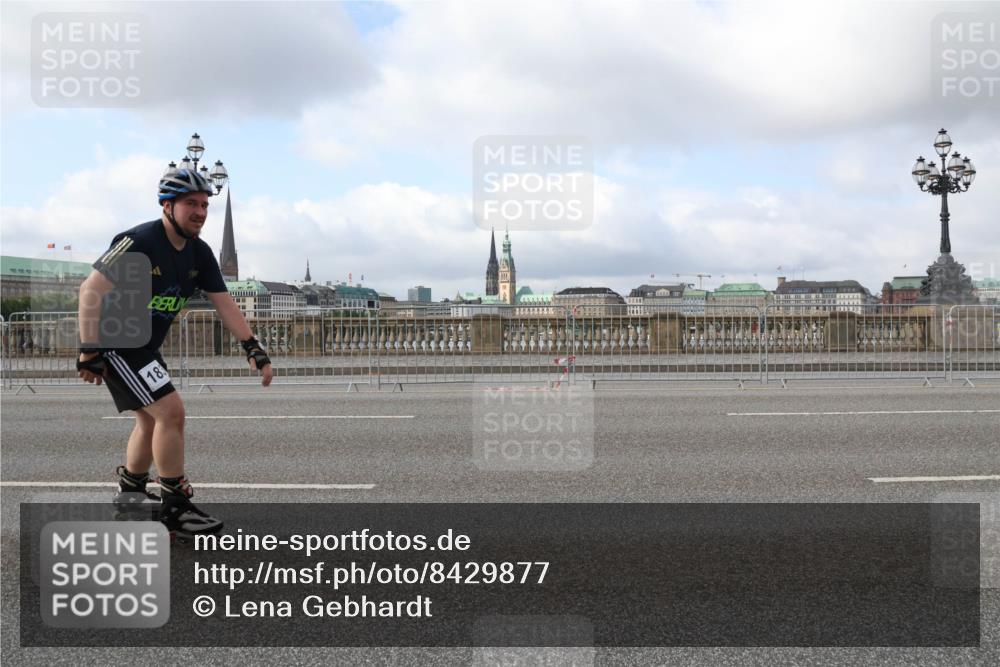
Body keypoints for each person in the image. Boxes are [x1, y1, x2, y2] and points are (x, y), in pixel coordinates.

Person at [77, 168, 273, 536]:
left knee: (151, 420)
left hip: (144, 346)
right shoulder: (139, 241)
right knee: (172, 412)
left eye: (204, 204)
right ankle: (174, 506)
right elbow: (90, 289)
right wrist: (89, 351)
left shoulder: (199, 253)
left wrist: (252, 346)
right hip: (117, 341)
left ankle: (130, 497)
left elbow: (225, 303)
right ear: (167, 206)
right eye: (190, 204)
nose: (200, 211)